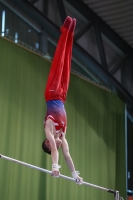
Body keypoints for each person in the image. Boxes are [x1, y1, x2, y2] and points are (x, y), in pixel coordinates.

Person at [42, 16, 83, 185]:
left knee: (59, 61)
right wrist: (74, 175)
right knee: (67, 62)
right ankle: (71, 33)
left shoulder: (49, 131)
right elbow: (67, 155)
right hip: (63, 96)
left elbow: (56, 153)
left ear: (47, 142)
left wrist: (55, 167)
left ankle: (65, 30)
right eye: (56, 146)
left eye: (52, 145)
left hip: (52, 93)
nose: (57, 145)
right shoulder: (63, 136)